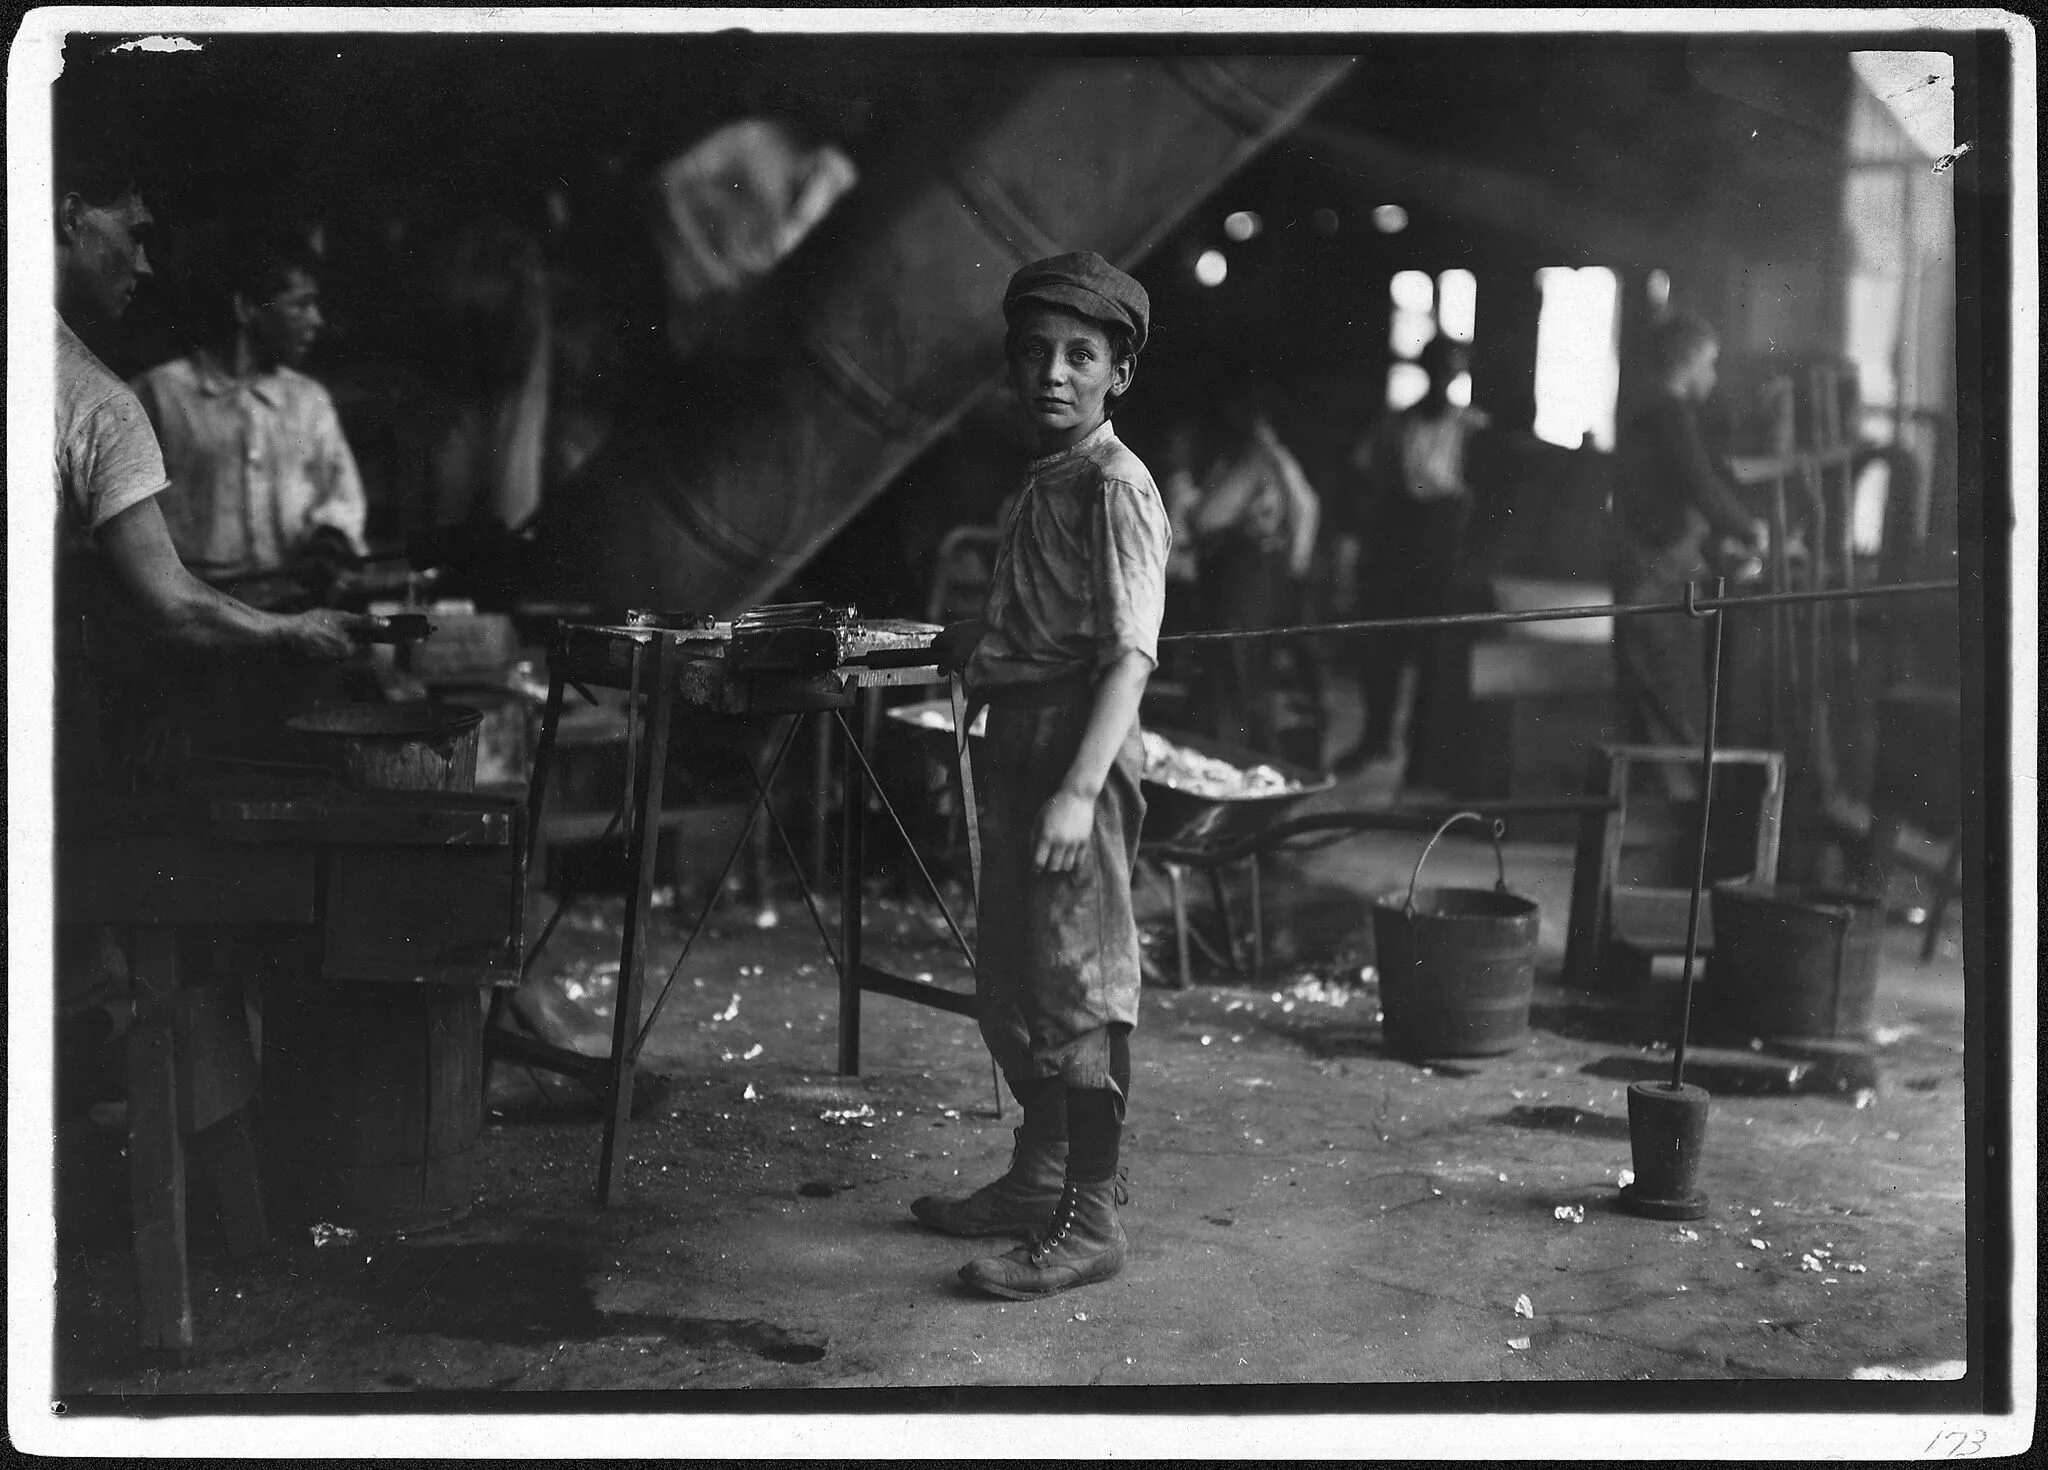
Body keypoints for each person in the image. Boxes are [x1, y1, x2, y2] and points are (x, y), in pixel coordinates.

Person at [918, 251, 1170, 1300]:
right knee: (1015, 982)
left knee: (1080, 985)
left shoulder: (1115, 487)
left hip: (1074, 747)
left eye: (1080, 355)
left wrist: (1076, 787)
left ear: (1119, 372)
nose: (1052, 374)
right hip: (1011, 739)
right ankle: (1039, 1176)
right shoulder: (1041, 480)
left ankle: (1091, 1216)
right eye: (1032, 354)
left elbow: (1128, 654)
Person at [131, 232, 369, 587]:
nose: (316, 320)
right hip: (196, 613)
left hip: (292, 606)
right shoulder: (160, 394)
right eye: (300, 305)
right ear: (246, 308)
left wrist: (329, 541)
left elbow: (342, 498)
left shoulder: (308, 401)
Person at [1608, 312, 1768, 787]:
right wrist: (1752, 530)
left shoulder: (1644, 407)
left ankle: (1650, 815)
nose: (1713, 376)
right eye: (1710, 364)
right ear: (1691, 360)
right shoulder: (1669, 412)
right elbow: (1700, 484)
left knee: (1650, 693)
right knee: (1672, 696)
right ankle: (1683, 824)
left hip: (1642, 564)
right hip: (1656, 572)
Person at [1332, 336, 1490, 780]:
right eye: (1435, 370)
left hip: (1445, 546)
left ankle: (1425, 758)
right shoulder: (1396, 424)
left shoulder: (1471, 427)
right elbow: (1364, 483)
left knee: (1434, 653)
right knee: (1382, 645)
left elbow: (1483, 500)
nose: (1442, 381)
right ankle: (1376, 736)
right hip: (1399, 540)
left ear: (1458, 377)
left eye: (1450, 373)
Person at [1185, 390, 1320, 756]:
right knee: (1244, 678)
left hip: (1246, 577)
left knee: (1234, 676)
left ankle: (1231, 759)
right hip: (1261, 576)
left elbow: (1205, 517)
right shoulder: (1272, 457)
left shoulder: (1255, 458)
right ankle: (1245, 757)